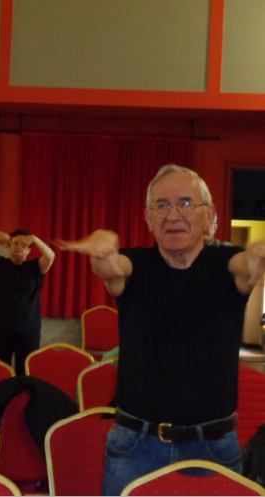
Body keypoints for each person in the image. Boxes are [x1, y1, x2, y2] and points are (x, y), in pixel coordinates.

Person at [60, 164, 265, 495]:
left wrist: (256, 256)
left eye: (185, 203)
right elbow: (113, 270)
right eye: (162, 205)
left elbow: (246, 267)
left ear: (209, 214)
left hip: (212, 446)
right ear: (148, 217)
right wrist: (103, 253)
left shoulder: (226, 263)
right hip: (135, 445)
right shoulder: (136, 264)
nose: (173, 215)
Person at [0, 229, 54, 375]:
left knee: (25, 372)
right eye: (16, 243)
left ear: (29, 250)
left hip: (28, 328)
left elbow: (50, 256)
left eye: (24, 245)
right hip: (0, 326)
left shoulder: (35, 267)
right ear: (9, 246)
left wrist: (34, 239)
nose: (19, 247)